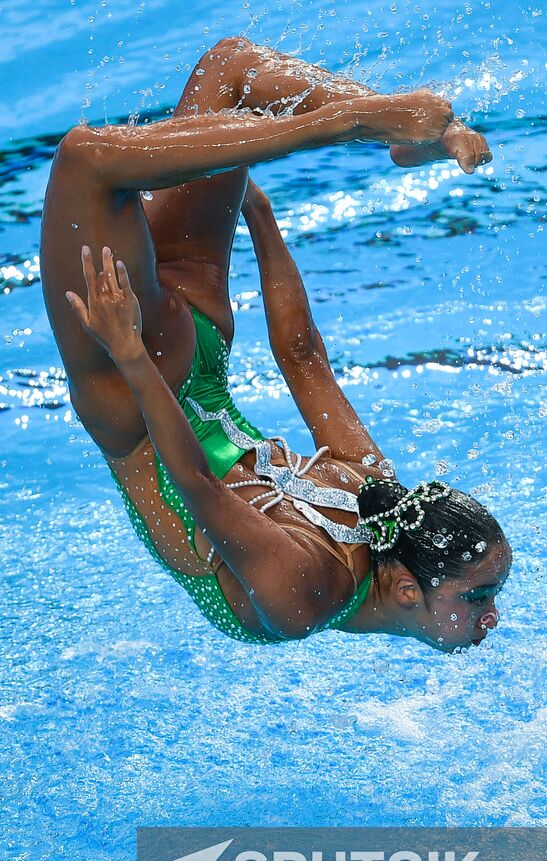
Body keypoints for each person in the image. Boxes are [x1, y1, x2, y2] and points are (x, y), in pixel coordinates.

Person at [42, 36, 511, 651]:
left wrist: (131, 351)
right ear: (407, 588)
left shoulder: (324, 565)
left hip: (140, 394)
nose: (491, 616)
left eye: (483, 596)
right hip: (169, 369)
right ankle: (391, 133)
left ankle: (363, 124)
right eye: (480, 596)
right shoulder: (345, 541)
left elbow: (200, 481)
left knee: (102, 154)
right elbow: (301, 360)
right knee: (224, 75)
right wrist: (256, 214)